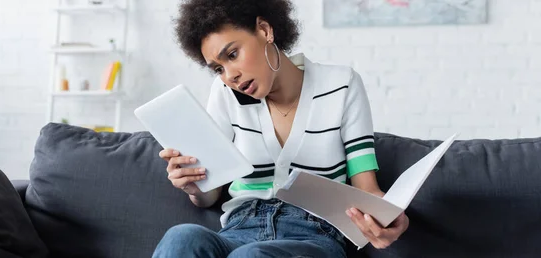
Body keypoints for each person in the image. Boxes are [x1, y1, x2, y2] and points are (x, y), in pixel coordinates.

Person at [153, 0, 409, 257]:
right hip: (240, 228)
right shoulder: (224, 94)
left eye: (232, 55)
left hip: (314, 235)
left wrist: (392, 218)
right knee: (181, 237)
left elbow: (367, 189)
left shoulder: (342, 85)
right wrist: (194, 187)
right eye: (219, 69)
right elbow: (210, 195)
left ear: (264, 30)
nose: (230, 75)